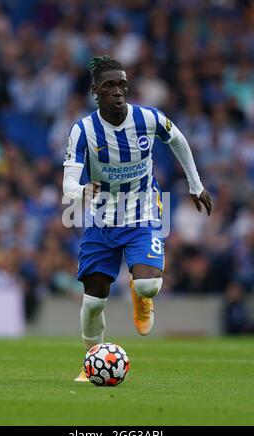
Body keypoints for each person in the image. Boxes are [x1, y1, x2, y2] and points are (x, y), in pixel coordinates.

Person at [62, 56, 212, 382]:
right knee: (92, 305)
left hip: (143, 212)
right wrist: (81, 192)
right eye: (109, 86)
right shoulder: (83, 131)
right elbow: (68, 183)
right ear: (95, 91)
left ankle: (140, 295)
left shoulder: (148, 118)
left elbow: (179, 140)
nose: (118, 92)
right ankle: (91, 364)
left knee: (148, 284)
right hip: (101, 220)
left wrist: (195, 185)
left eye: (122, 85)